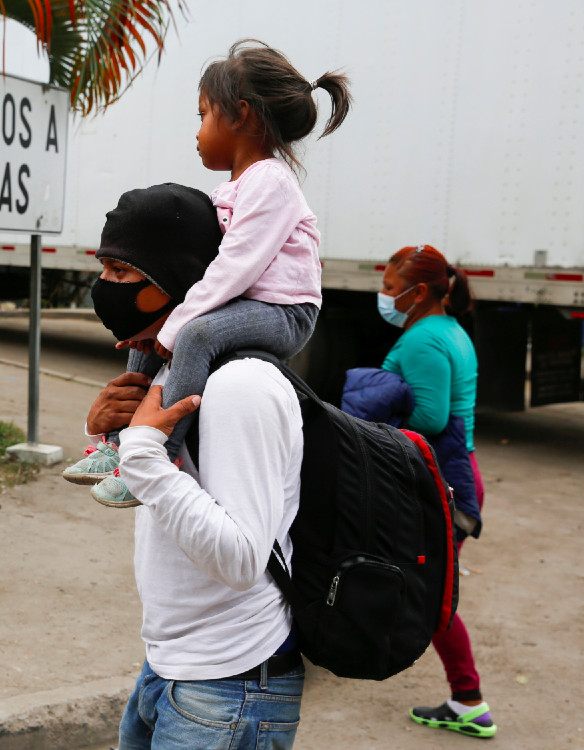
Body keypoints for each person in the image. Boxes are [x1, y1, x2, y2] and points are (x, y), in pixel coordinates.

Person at [68, 39, 351, 508]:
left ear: (241, 115)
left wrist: (178, 324)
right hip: (248, 303)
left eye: (203, 115)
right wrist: (159, 327)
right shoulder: (233, 187)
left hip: (283, 311)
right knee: (153, 330)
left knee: (193, 334)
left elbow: (236, 266)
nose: (197, 131)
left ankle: (157, 455)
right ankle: (117, 442)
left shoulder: (271, 181)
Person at [84, 184, 306, 749]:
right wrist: (109, 434)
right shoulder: (172, 367)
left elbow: (239, 559)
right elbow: (166, 498)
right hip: (169, 664)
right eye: (102, 269)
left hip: (230, 683)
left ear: (175, 280)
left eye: (122, 274)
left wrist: (140, 451)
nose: (103, 289)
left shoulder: (239, 386)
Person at [375, 245, 496, 739]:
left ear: (418, 291)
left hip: (443, 481)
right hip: (452, 473)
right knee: (418, 584)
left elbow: (430, 417)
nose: (383, 297)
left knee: (432, 597)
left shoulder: (425, 339)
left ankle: (468, 700)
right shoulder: (447, 329)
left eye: (388, 288)